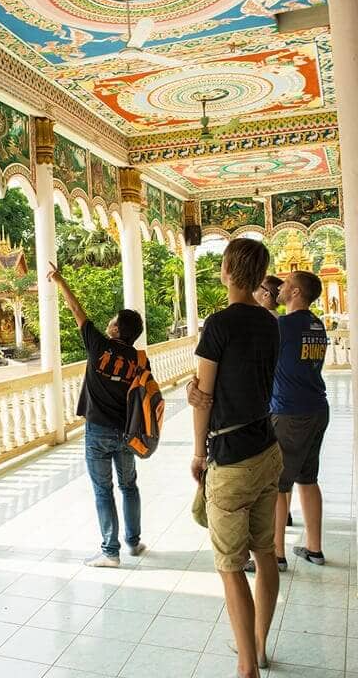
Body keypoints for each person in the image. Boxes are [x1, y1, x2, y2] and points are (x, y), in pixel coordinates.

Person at [187, 239, 281, 678]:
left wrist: (195, 452)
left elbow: (203, 397)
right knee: (264, 553)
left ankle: (247, 668)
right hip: (268, 448)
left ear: (226, 270)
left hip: (232, 457)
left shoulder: (218, 324)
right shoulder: (271, 323)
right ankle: (259, 648)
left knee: (230, 567)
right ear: (260, 274)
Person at [49, 261, 146, 568]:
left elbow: (77, 311)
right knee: (128, 485)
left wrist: (59, 279)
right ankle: (133, 542)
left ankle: (110, 552)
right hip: (127, 433)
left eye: (113, 321)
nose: (108, 322)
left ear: (117, 329)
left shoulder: (98, 346)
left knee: (103, 491)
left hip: (98, 432)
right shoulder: (138, 358)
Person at [266, 271, 329, 567]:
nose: (280, 287)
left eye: (286, 284)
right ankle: (314, 549)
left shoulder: (283, 325)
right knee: (308, 478)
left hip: (290, 412)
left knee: (280, 484)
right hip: (317, 407)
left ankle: (276, 553)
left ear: (296, 293)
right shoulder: (317, 325)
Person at [254, 274, 294, 529]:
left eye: (257, 289)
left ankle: (275, 521)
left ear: (266, 294)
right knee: (285, 463)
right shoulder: (283, 322)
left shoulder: (264, 324)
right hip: (281, 399)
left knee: (272, 468)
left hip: (270, 401)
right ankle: (285, 512)